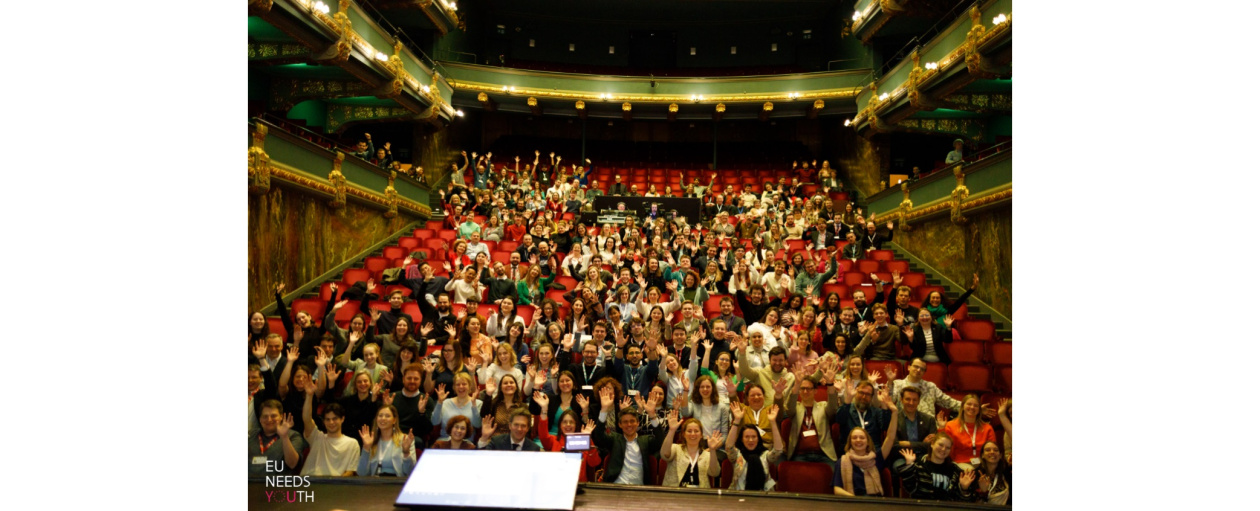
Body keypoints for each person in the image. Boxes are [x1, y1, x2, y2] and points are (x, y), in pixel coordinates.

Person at [591, 386, 670, 484]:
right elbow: (598, 436)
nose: (629, 425)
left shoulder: (645, 441)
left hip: (638, 488)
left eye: (632, 421)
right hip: (615, 487)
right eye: (625, 422)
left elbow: (660, 440)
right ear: (620, 424)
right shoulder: (615, 439)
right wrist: (604, 410)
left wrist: (652, 415)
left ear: (638, 423)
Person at [831, 386, 900, 497]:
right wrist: (858, 502)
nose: (858, 440)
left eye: (862, 438)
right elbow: (837, 489)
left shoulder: (875, 458)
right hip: (852, 504)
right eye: (854, 438)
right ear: (850, 442)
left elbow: (890, 437)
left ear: (868, 441)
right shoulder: (842, 461)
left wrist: (895, 412)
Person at [535, 400, 602, 482]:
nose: (568, 425)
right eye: (565, 422)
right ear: (560, 425)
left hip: (579, 486)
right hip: (556, 482)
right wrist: (544, 409)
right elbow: (542, 433)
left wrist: (587, 438)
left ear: (576, 425)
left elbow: (594, 463)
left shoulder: (582, 441)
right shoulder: (553, 441)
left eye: (571, 422)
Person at [895, 436, 977, 502]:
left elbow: (963, 502)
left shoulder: (956, 471)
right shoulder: (919, 466)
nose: (943, 449)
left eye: (948, 448)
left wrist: (964, 488)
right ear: (932, 444)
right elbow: (910, 490)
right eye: (940, 445)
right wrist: (909, 465)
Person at [300, 386, 359, 476]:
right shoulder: (316, 437)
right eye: (327, 419)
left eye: (334, 419)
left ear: (342, 419)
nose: (331, 422)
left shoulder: (352, 443)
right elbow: (306, 418)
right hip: (310, 483)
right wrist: (309, 396)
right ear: (323, 421)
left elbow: (350, 472)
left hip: (335, 486)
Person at [781, 376, 840, 463]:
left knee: (834, 473)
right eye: (802, 388)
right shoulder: (795, 407)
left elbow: (833, 406)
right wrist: (797, 384)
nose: (805, 391)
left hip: (823, 454)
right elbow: (790, 405)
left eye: (808, 389)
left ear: (815, 390)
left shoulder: (823, 406)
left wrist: (830, 384)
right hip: (800, 455)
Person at [725, 406, 785, 491]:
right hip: (739, 495)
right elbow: (729, 447)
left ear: (758, 439)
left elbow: (778, 450)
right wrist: (737, 420)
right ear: (741, 439)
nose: (750, 440)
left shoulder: (765, 455)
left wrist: (772, 422)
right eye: (747, 437)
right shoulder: (737, 455)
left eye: (754, 437)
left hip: (763, 496)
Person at [660, 412, 724, 488]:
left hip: (700, 495)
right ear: (684, 434)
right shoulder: (676, 448)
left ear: (701, 435)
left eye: (696, 431)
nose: (693, 434)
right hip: (675, 494)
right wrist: (672, 430)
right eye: (689, 431)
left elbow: (715, 473)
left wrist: (713, 450)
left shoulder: (707, 455)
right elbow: (664, 455)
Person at [888, 358, 961, 418]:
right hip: (905, 425)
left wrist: (967, 405)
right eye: (916, 367)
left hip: (928, 426)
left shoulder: (930, 387)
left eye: (922, 369)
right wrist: (890, 382)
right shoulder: (897, 384)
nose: (919, 370)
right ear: (909, 367)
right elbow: (889, 400)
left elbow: (947, 401)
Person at [249, 399, 306, 475]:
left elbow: (292, 464)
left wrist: (284, 437)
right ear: (260, 419)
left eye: (273, 416)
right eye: (265, 416)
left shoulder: (293, 436)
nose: (269, 420)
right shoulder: (250, 435)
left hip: (277, 485)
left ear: (281, 417)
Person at [356, 405, 416, 477]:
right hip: (374, 484)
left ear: (394, 420)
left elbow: (410, 473)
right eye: (380, 416)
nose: (383, 418)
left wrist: (406, 452)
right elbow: (361, 473)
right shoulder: (371, 440)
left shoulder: (405, 440)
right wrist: (366, 448)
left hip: (396, 483)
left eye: (387, 416)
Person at [938, 394, 996, 468]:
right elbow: (944, 447)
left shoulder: (987, 428)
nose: (972, 407)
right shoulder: (950, 426)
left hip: (983, 464)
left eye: (976, 405)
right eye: (969, 404)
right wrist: (942, 429)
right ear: (962, 406)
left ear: (979, 409)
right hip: (960, 464)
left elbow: (992, 450)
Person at [889, 386, 938, 470]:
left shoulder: (929, 420)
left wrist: (908, 444)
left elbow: (932, 445)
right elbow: (894, 446)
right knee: (903, 469)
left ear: (919, 401)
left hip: (924, 456)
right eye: (908, 399)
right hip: (902, 457)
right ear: (901, 400)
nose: (911, 403)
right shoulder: (894, 419)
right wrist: (922, 444)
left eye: (914, 400)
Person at [430, 372, 483, 439]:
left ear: (469, 386)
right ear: (454, 387)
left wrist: (474, 405)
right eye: (458, 384)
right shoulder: (445, 403)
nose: (461, 387)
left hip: (466, 444)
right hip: (445, 441)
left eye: (464, 384)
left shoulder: (478, 403)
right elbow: (434, 422)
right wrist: (439, 402)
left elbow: (477, 425)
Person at [477, 408, 542, 451]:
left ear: (528, 428)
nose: (519, 429)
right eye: (516, 425)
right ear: (510, 426)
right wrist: (484, 437)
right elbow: (483, 459)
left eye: (523, 426)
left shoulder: (534, 449)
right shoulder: (496, 442)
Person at [972, 440, 1012, 505]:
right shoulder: (976, 474)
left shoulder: (1007, 473)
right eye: (988, 450)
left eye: (996, 450)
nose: (992, 452)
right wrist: (983, 492)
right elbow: (971, 502)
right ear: (982, 455)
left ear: (1000, 455)